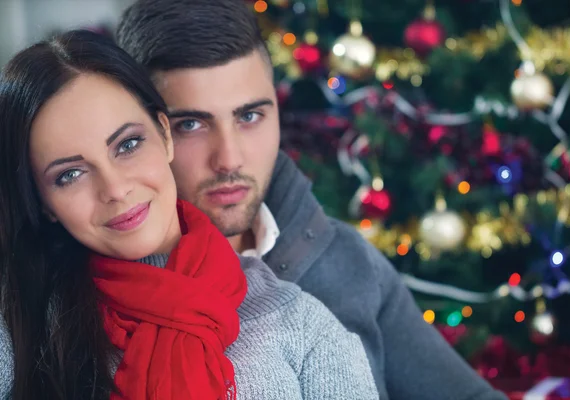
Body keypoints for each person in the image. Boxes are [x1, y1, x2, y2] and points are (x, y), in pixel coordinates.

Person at [116, 1, 509, 399]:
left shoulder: (346, 257)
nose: (229, 158)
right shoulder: (83, 300)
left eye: (249, 116)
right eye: (191, 124)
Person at [0, 30, 378, 399]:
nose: (115, 189)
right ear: (42, 202)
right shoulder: (19, 334)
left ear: (164, 135)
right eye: (70, 175)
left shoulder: (302, 325)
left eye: (128, 145)